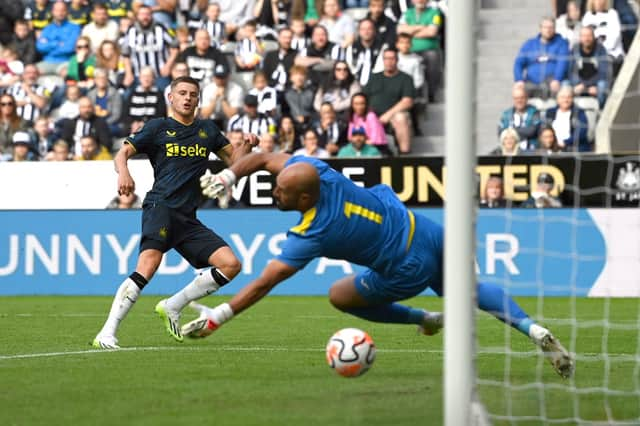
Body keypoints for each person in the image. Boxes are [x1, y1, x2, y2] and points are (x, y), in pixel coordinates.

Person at [189, 151, 575, 379]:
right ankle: (534, 328)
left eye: (281, 191)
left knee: (340, 295)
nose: (274, 192)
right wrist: (228, 174)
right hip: (424, 228)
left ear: (305, 197)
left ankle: (424, 318)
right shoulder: (321, 172)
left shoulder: (314, 231)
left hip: (406, 265)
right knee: (469, 290)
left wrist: (218, 316)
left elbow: (264, 282)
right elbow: (266, 158)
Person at [92, 75, 259, 349]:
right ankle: (107, 332)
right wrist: (124, 172)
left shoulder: (208, 131)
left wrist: (248, 146)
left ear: (198, 99)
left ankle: (172, 305)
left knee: (231, 265)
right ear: (171, 97)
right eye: (182, 93)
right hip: (161, 206)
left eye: (192, 94)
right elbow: (121, 153)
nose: (187, 98)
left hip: (187, 217)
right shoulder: (158, 128)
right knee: (147, 266)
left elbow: (235, 165)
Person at [363, 48, 414, 154]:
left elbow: (407, 101)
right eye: (386, 59)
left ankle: (405, 154)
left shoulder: (405, 78)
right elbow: (363, 97)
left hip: (393, 116)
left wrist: (388, 115)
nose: (389, 62)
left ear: (397, 60)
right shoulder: (374, 77)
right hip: (372, 115)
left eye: (392, 59)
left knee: (401, 118)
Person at [513, 17, 570, 100]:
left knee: (561, 89)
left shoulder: (561, 43)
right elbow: (518, 63)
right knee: (519, 91)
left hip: (552, 82)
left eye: (551, 27)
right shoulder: (529, 44)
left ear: (555, 29)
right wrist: (519, 79)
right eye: (545, 27)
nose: (548, 30)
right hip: (531, 81)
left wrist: (557, 79)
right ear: (540, 28)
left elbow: (562, 63)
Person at [568, 26, 611, 107]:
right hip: (579, 83)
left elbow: (603, 72)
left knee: (602, 86)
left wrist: (589, 86)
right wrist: (577, 84)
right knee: (565, 85)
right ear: (580, 38)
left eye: (589, 36)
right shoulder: (575, 49)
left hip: (595, 83)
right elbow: (571, 71)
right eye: (584, 36)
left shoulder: (601, 49)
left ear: (594, 37)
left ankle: (601, 111)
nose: (586, 39)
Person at [498, 85, 542, 152]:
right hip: (511, 151)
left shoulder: (534, 112)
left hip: (531, 150)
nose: (519, 100)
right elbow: (501, 133)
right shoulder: (506, 114)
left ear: (527, 98)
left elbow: (532, 131)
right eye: (516, 98)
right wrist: (522, 131)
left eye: (522, 98)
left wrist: (511, 130)